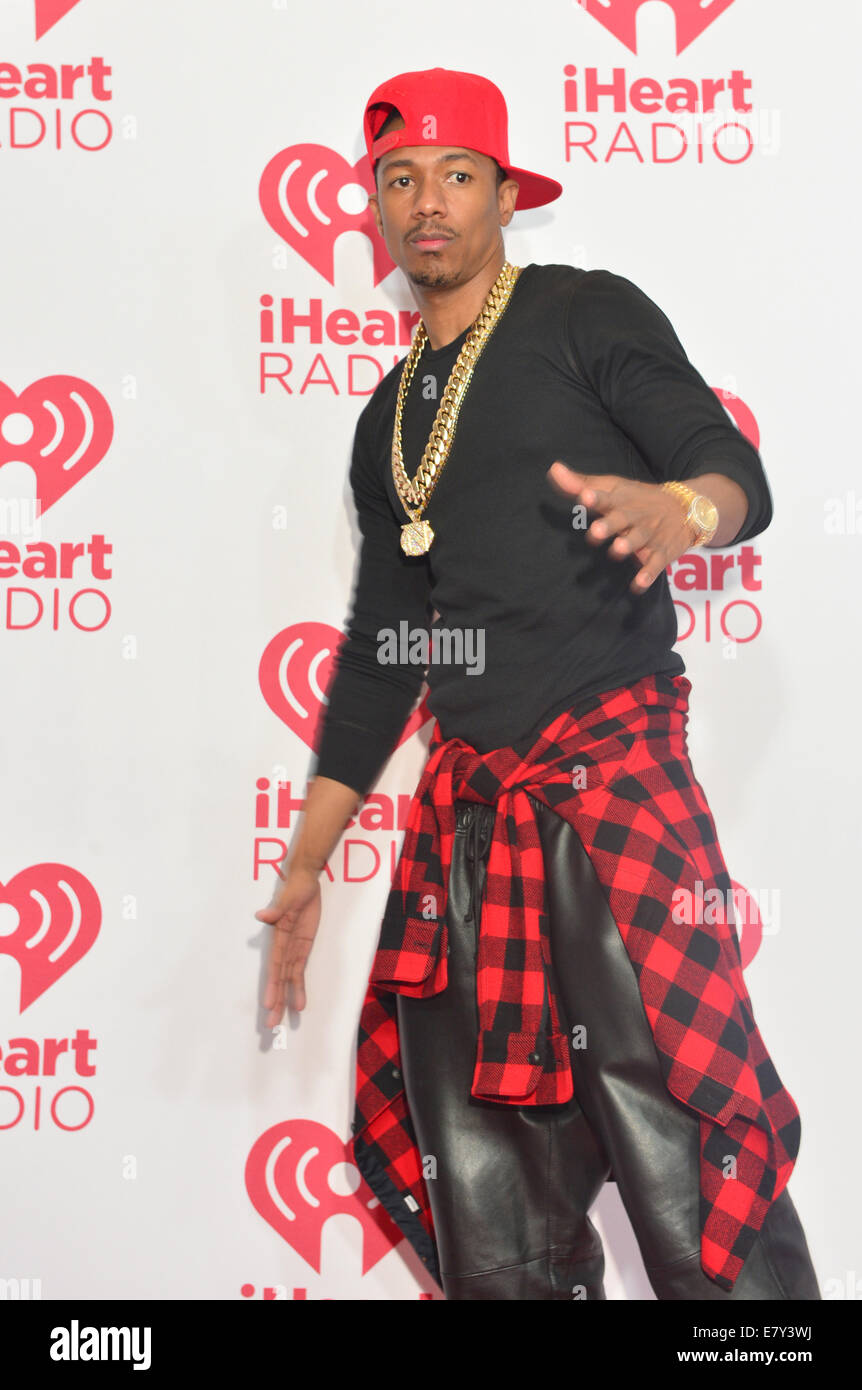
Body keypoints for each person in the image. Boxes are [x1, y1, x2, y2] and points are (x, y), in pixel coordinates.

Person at [255, 67, 820, 1301]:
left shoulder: (581, 314)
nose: (426, 204)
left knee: (698, 1174)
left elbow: (729, 468)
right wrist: (308, 858)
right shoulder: (387, 420)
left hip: (615, 804)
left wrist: (683, 507)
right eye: (398, 181)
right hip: (470, 834)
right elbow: (396, 643)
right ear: (375, 208)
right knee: (493, 1213)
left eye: (456, 176)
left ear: (505, 194)